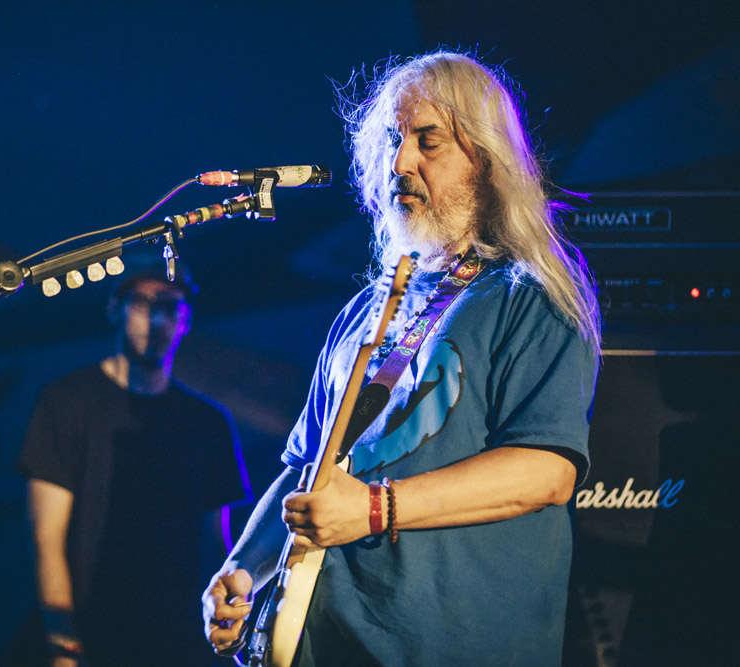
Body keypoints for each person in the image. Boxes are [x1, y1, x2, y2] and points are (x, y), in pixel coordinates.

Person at [203, 50, 601, 666]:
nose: (400, 162)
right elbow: (307, 467)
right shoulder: (368, 306)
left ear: (485, 158)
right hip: (329, 640)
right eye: (392, 139)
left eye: (428, 141)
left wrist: (370, 509)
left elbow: (546, 471)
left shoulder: (531, 294)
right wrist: (243, 569)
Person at [19, 262, 250, 667]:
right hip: (91, 634)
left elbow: (219, 543)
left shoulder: (209, 423)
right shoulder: (67, 401)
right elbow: (47, 539)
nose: (157, 319)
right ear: (115, 308)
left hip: (178, 641)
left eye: (171, 307)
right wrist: (64, 644)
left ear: (186, 321)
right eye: (143, 303)